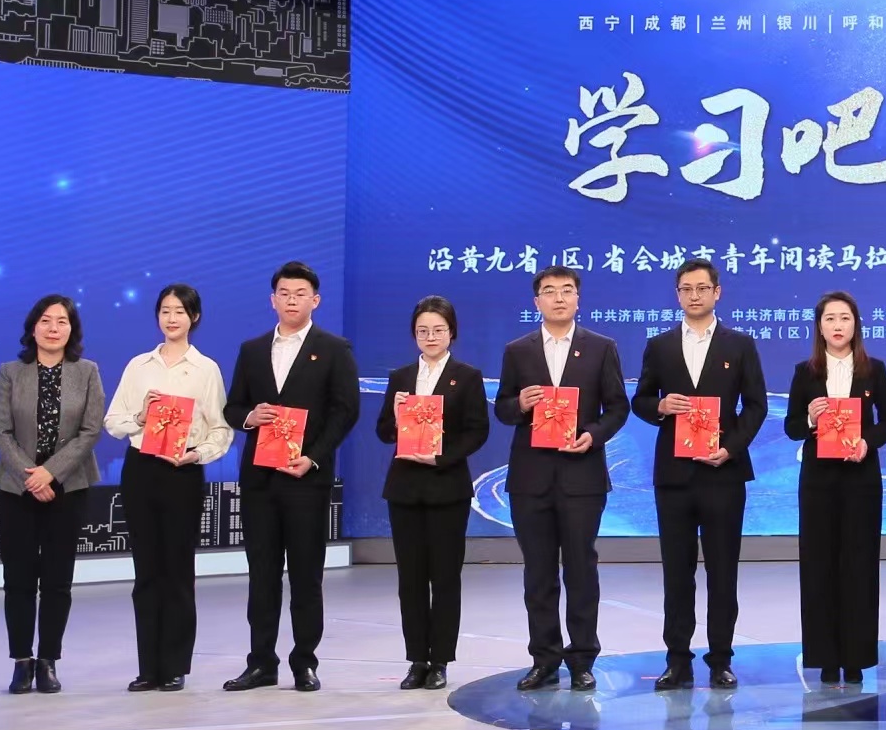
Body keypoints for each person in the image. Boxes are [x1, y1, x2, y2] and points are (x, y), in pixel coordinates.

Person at [222, 261, 361, 693]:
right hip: (261, 481)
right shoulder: (252, 350)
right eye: (284, 293)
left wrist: (313, 458)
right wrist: (249, 417)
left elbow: (346, 411)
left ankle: (304, 662)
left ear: (314, 300)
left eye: (300, 294)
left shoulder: (334, 348)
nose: (291, 300)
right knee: (262, 575)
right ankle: (261, 663)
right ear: (273, 300)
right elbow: (232, 407)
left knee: (306, 576)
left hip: (306, 479)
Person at [630, 257, 769, 692]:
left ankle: (721, 659)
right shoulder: (660, 345)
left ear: (717, 293)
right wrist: (659, 406)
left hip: (722, 473)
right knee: (677, 572)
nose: (694, 295)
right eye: (686, 289)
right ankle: (677, 660)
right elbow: (640, 400)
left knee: (723, 571)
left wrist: (730, 448)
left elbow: (757, 405)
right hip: (674, 475)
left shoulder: (740, 344)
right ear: (678, 295)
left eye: (702, 288)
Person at [496, 265, 629, 692]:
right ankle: (544, 659)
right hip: (530, 478)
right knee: (538, 574)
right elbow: (502, 409)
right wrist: (520, 403)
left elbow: (618, 407)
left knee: (581, 570)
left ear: (578, 299)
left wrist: (593, 435)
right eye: (549, 291)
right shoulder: (518, 350)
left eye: (566, 290)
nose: (558, 298)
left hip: (582, 477)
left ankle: (583, 659)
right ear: (536, 301)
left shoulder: (601, 347)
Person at [102, 283, 233, 692]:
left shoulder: (206, 369)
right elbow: (113, 421)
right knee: (146, 571)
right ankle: (148, 667)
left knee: (177, 571)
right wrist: (141, 417)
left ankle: (175, 665)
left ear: (194, 317)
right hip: (141, 470)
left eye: (179, 311)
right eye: (165, 310)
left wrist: (197, 454)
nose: (171, 318)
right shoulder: (138, 366)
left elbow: (221, 429)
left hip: (182, 472)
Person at [784, 291, 886, 685]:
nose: (838, 326)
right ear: (819, 327)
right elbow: (791, 428)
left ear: (856, 325)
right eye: (830, 319)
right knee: (818, 565)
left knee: (859, 564)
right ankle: (825, 657)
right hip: (818, 480)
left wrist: (868, 441)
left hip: (860, 478)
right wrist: (809, 417)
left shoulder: (874, 370)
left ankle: (856, 657)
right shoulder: (805, 372)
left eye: (845, 318)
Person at [0, 295, 105, 694]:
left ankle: (48, 661)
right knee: (18, 579)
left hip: (67, 489)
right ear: (33, 327)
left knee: (57, 581)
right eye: (46, 320)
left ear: (72, 329)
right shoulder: (10, 372)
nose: (54, 328)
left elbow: (90, 431)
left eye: (62, 321)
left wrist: (50, 473)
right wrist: (31, 477)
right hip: (15, 489)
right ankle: (21, 661)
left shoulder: (87, 372)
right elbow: (1, 431)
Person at [374, 294, 491, 690]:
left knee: (444, 578)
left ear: (451, 332)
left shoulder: (467, 376)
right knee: (410, 579)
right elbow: (383, 432)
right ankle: (416, 660)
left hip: (447, 488)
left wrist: (441, 457)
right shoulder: (401, 377)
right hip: (404, 488)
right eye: (422, 330)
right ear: (414, 334)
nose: (430, 336)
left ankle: (440, 660)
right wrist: (396, 416)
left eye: (438, 330)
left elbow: (478, 431)